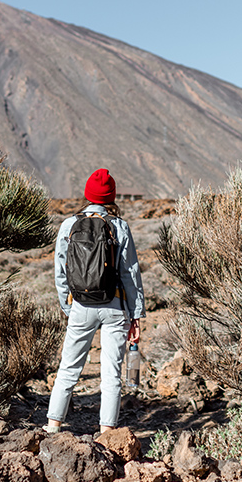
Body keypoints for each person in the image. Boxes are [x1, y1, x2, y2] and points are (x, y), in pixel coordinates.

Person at [46, 168, 145, 434]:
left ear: (88, 195)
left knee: (68, 368)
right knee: (111, 374)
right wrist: (135, 315)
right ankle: (107, 435)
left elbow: (60, 271)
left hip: (81, 306)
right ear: (111, 197)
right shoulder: (119, 226)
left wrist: (69, 306)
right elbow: (130, 273)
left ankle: (52, 427)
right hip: (114, 307)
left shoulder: (69, 225)